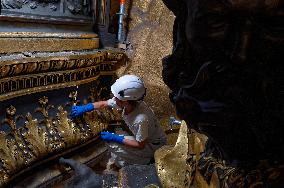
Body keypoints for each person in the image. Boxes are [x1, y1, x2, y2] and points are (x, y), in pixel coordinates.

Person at [70, 74, 167, 168]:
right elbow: (104, 104)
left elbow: (140, 144)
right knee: (117, 137)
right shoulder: (130, 102)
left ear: (126, 101)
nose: (114, 99)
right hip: (148, 138)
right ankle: (132, 159)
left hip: (153, 146)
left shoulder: (140, 119)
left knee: (112, 144)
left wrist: (115, 138)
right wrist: (84, 108)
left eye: (117, 98)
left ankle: (145, 162)